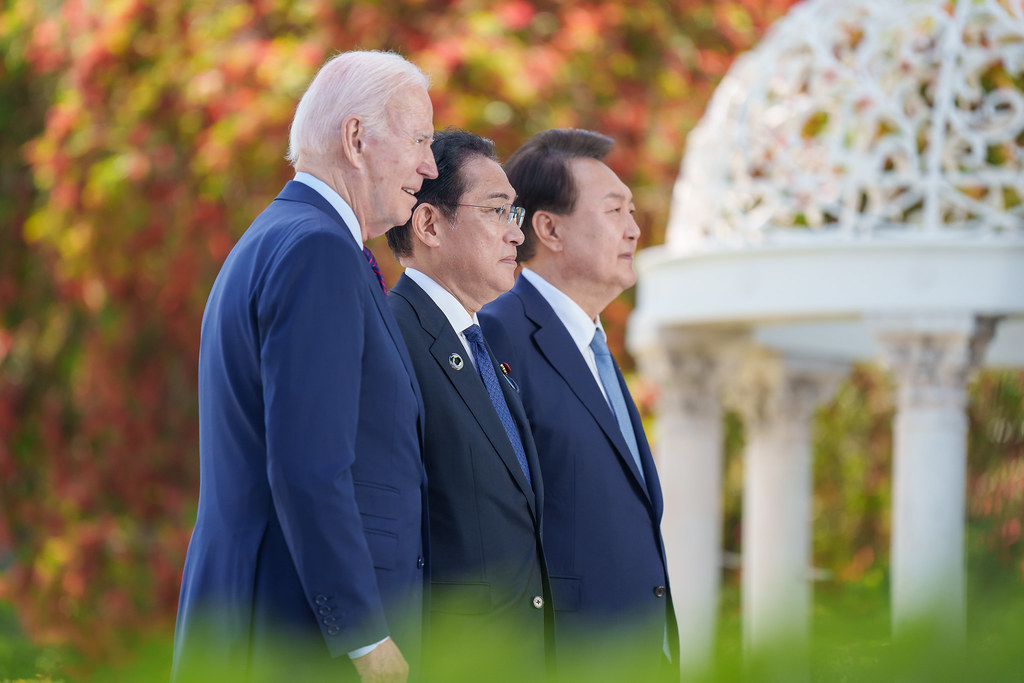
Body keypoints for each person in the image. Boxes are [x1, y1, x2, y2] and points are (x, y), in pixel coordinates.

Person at [172, 51, 438, 683]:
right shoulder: (317, 250)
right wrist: (365, 636)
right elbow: (309, 463)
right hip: (294, 638)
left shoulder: (280, 238)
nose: (429, 166)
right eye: (420, 139)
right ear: (356, 138)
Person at [479, 128, 679, 677]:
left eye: (632, 210)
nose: (634, 229)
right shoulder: (495, 337)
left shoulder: (594, 346)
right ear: (549, 228)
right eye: (615, 210)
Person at [385, 130, 551, 679]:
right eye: (498, 211)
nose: (516, 235)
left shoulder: (480, 344)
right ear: (429, 224)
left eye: (516, 213)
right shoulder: (390, 338)